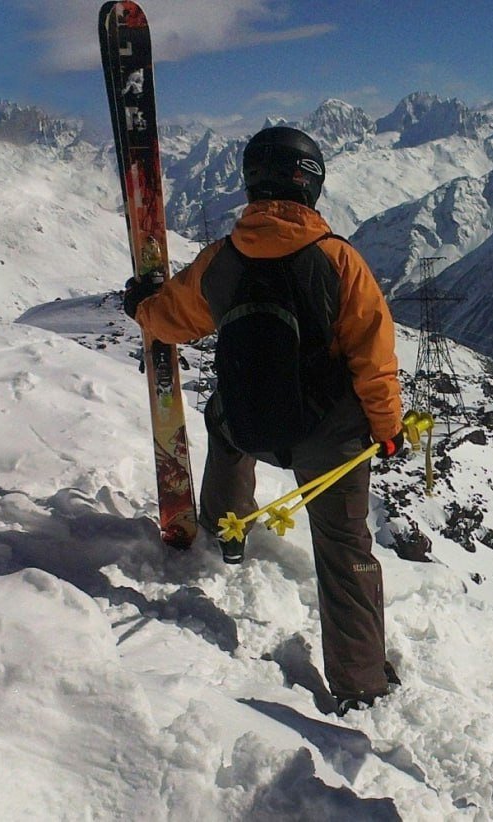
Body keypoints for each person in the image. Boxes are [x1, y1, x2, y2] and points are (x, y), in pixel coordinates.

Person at [123, 125, 403, 715]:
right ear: (313, 182)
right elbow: (374, 359)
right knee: (343, 544)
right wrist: (386, 429)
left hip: (251, 420)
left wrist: (141, 303)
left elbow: (168, 321)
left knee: (222, 424)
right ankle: (359, 684)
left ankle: (226, 538)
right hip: (327, 434)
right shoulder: (338, 260)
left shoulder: (220, 261)